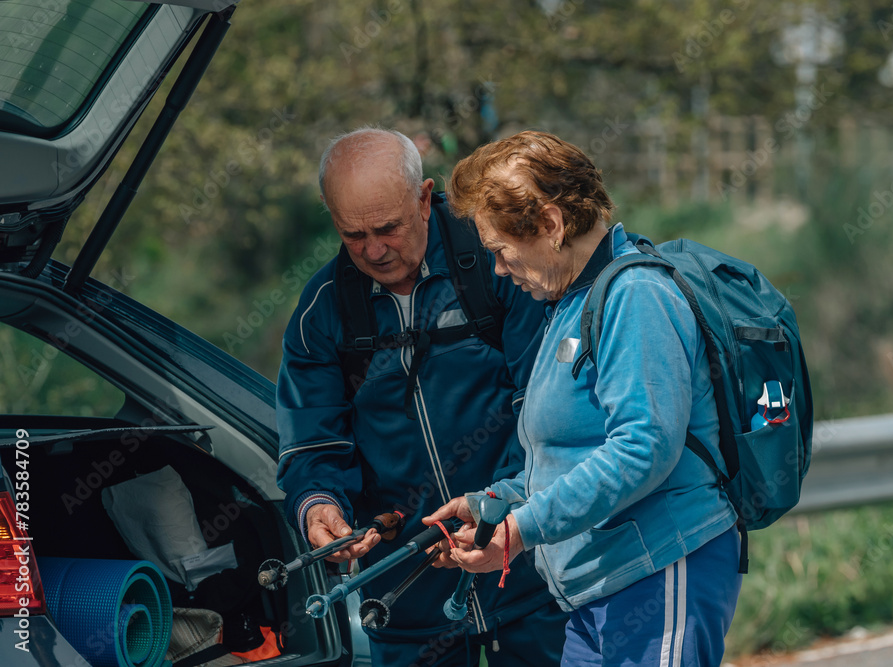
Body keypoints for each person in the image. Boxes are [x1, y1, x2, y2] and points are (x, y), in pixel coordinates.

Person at [426, 130, 743, 666]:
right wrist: (499, 502)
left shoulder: (634, 295)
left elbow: (643, 446)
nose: (499, 269)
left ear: (550, 225)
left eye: (501, 250)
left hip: (657, 567)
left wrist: (522, 531)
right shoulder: (572, 302)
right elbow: (573, 453)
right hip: (597, 590)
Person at [275, 128, 567, 666]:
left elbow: (547, 410)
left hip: (534, 573)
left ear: (425, 196)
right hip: (406, 599)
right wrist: (319, 506)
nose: (374, 250)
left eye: (387, 228)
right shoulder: (322, 313)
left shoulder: (498, 262)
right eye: (353, 235)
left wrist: (497, 507)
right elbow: (310, 442)